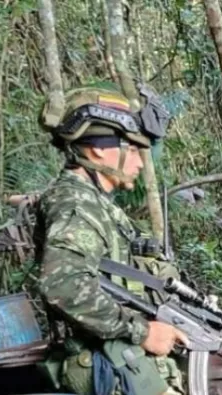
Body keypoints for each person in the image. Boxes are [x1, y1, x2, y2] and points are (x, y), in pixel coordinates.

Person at [34, 82, 187, 395]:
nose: (140, 162)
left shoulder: (93, 203)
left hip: (125, 360)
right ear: (99, 149)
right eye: (132, 149)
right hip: (108, 367)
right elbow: (63, 286)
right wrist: (143, 332)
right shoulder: (77, 205)